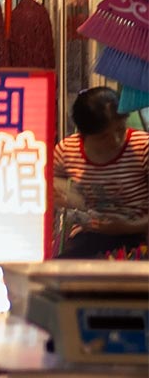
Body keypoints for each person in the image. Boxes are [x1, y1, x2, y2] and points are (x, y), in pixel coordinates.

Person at [54, 86, 149, 258]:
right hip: (88, 237)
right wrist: (58, 195)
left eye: (120, 129)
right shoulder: (67, 150)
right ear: (83, 134)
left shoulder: (143, 147)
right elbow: (48, 184)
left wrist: (128, 227)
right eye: (103, 137)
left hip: (139, 236)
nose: (116, 140)